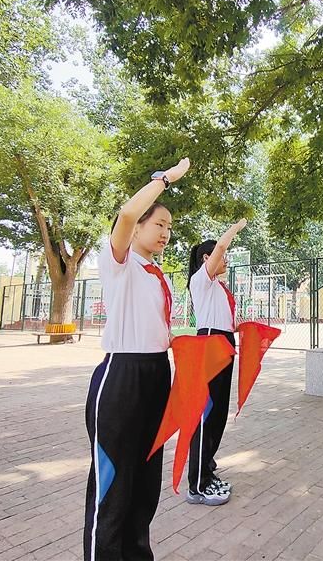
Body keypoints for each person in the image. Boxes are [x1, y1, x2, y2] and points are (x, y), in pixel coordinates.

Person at [83, 158, 190, 561]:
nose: (165, 233)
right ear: (139, 226)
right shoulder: (120, 263)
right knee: (114, 484)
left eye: (169, 228)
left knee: (145, 483)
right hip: (122, 376)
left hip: (156, 373)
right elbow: (126, 213)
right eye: (159, 224)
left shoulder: (156, 274)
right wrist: (166, 179)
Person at [185, 218, 247, 506]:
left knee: (218, 414)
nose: (226, 260)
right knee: (206, 415)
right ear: (206, 259)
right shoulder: (201, 281)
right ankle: (197, 485)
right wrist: (236, 228)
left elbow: (227, 321)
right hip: (209, 346)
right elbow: (221, 246)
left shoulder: (219, 288)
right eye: (222, 256)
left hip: (223, 344)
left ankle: (207, 471)